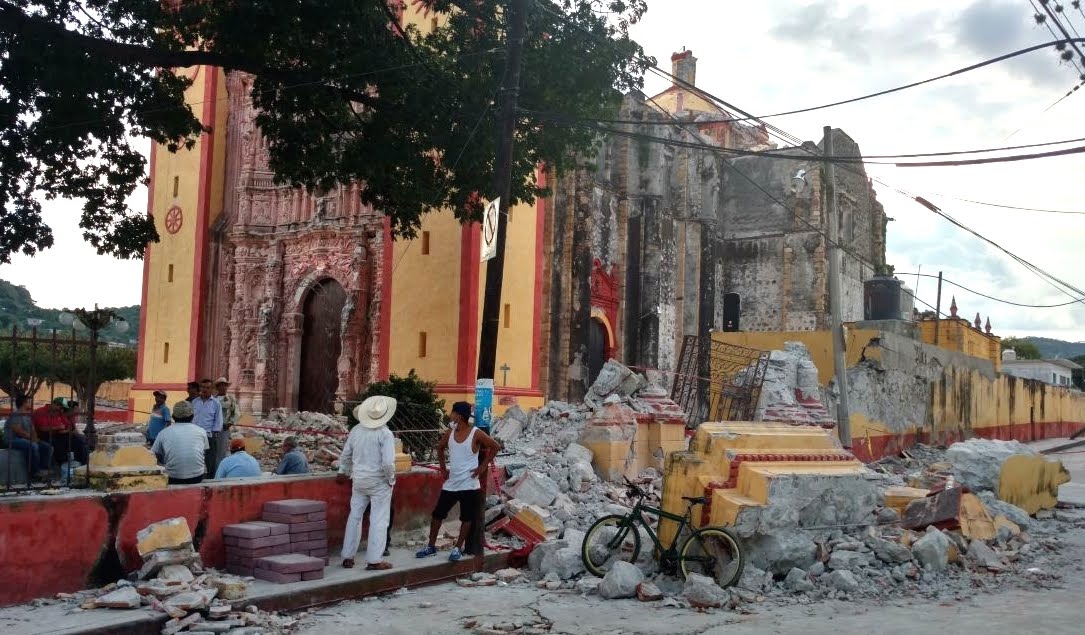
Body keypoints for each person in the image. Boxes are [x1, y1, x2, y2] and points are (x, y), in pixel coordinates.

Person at [416, 401, 500, 562]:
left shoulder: (476, 433)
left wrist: (482, 468)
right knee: (437, 515)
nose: (450, 415)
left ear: (459, 415)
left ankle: (457, 548)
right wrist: (442, 468)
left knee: (466, 519)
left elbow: (495, 446)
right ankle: (430, 546)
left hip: (469, 484)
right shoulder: (450, 432)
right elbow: (439, 448)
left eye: (452, 412)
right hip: (451, 483)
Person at [336, 396, 397, 571]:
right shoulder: (385, 433)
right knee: (379, 519)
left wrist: (343, 472)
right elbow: (387, 463)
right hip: (378, 481)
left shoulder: (356, 430)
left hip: (359, 480)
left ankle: (347, 556)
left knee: (355, 516)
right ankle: (374, 560)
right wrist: (391, 480)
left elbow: (346, 455)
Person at [151, 400, 209, 485]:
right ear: (192, 416)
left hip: (173, 478)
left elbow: (154, 454)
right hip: (197, 477)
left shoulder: (164, 432)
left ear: (173, 416)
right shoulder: (201, 431)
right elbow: (204, 452)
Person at [5, 396, 53, 481]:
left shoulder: (27, 415)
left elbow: (33, 429)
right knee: (33, 446)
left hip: (27, 439)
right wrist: (32, 439)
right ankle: (35, 473)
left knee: (47, 447)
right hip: (13, 439)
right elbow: (18, 430)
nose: (31, 403)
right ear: (24, 403)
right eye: (29, 401)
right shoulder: (16, 414)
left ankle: (43, 469)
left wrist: (35, 438)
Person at [33, 397, 89, 466]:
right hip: (44, 436)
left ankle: (81, 463)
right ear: (54, 404)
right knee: (59, 443)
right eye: (60, 407)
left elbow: (67, 424)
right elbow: (42, 428)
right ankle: (61, 463)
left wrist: (66, 430)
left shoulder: (59, 412)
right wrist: (57, 427)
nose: (61, 409)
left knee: (78, 440)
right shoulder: (40, 412)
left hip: (58, 434)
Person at [191, 378, 224, 477]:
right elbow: (191, 417)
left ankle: (211, 479)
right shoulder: (195, 402)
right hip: (194, 436)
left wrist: (215, 433)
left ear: (212, 389)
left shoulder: (216, 403)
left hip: (208, 435)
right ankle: (195, 476)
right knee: (195, 458)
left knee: (210, 460)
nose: (205, 389)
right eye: (203, 387)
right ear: (200, 388)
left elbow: (218, 419)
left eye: (208, 387)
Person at [213, 377, 239, 469]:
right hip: (213, 429)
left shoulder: (230, 399)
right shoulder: (213, 399)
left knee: (222, 451)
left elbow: (236, 413)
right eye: (221, 386)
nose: (223, 388)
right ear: (217, 387)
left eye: (225, 386)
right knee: (213, 451)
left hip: (224, 429)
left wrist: (230, 423)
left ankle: (220, 470)